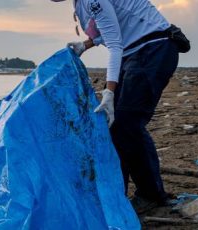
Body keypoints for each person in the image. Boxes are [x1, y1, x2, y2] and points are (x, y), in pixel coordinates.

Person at [53, 0, 190, 213]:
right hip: (133, 53)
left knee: (127, 124)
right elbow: (111, 29)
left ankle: (151, 195)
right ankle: (118, 193)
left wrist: (109, 91)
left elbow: (115, 44)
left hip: (154, 48)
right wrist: (87, 44)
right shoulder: (80, 3)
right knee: (113, 125)